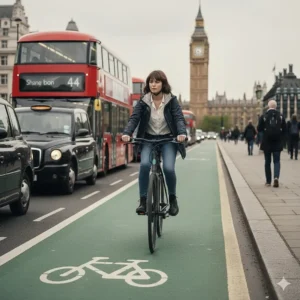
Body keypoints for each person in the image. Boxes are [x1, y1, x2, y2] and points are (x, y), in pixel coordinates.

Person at [122, 70, 187, 216]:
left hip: (168, 139)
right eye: (151, 81)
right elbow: (134, 118)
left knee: (169, 168)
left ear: (163, 84)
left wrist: (181, 133)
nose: (153, 84)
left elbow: (178, 118)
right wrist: (127, 133)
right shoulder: (143, 101)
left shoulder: (171, 100)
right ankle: (143, 201)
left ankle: (172, 198)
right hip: (149, 139)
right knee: (145, 165)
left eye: (157, 81)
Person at [257, 99, 286, 187]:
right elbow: (284, 129)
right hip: (277, 141)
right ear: (275, 106)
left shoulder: (264, 116)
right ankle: (276, 177)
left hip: (267, 142)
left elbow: (259, 129)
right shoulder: (280, 116)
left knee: (267, 161)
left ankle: (268, 181)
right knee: (277, 161)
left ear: (268, 106)